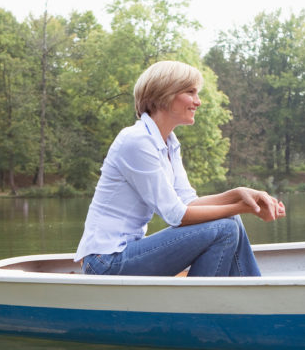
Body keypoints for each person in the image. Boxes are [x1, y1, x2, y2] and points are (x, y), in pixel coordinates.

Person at [74, 60, 285, 277]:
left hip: (125, 253)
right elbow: (177, 215)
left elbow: (188, 202)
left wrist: (238, 195)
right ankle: (207, 305)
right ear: (164, 94)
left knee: (231, 222)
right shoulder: (136, 140)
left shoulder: (169, 143)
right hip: (106, 261)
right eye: (191, 92)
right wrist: (243, 207)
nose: (198, 102)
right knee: (225, 227)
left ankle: (250, 298)